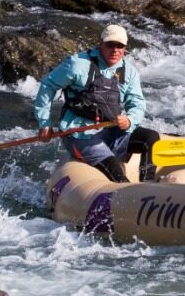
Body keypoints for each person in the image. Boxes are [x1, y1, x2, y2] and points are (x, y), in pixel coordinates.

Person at [34, 24, 159, 182]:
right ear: (100, 43)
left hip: (112, 130)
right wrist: (44, 122)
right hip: (80, 134)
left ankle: (148, 185)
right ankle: (128, 193)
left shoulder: (130, 71)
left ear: (125, 48)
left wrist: (130, 120)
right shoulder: (77, 64)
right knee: (115, 169)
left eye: (120, 46)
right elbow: (48, 85)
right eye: (110, 45)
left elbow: (137, 103)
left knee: (151, 137)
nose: (115, 50)